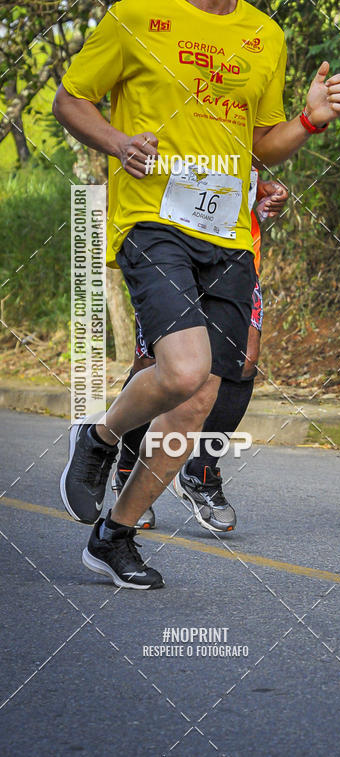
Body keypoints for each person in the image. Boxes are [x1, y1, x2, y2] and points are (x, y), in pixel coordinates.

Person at [53, 0, 340, 590]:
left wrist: (306, 122)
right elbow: (70, 99)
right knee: (182, 369)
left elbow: (257, 142)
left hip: (230, 233)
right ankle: (99, 437)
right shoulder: (135, 17)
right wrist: (119, 141)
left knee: (198, 396)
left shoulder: (263, 34)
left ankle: (115, 533)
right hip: (152, 218)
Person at [112, 175, 288, 531]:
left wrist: (269, 190)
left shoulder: (247, 124)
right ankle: (128, 467)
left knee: (244, 361)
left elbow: (260, 154)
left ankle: (202, 471)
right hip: (170, 252)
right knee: (155, 363)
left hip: (235, 254)